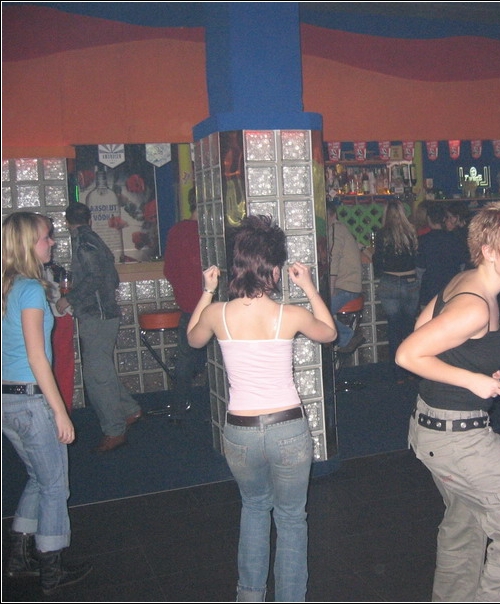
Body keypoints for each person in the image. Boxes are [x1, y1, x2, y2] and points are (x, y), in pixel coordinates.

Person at [397, 201, 500, 601]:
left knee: (466, 527)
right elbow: (408, 354)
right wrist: (471, 379)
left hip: (432, 427)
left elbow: (423, 326)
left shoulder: (466, 281)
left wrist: (472, 367)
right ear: (489, 251)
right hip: (457, 438)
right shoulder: (475, 305)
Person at [187, 215, 336, 601]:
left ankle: (250, 596)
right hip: (288, 429)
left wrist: (207, 291)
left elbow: (193, 339)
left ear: (237, 265)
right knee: (291, 519)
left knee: (254, 508)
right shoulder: (289, 314)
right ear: (274, 270)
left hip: (240, 432)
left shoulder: (217, 313)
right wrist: (309, 286)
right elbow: (329, 332)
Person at [2, 211, 93, 594]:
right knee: (55, 486)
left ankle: (18, 557)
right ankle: (51, 569)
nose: (52, 242)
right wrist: (60, 412)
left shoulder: (6, 286)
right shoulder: (29, 289)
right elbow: (38, 356)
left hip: (7, 399)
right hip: (30, 401)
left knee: (39, 478)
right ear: (28, 245)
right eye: (45, 237)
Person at [55, 202, 142, 452]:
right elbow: (110, 278)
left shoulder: (83, 242)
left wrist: (69, 299)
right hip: (104, 313)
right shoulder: (93, 240)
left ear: (67, 222)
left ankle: (114, 430)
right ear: (90, 219)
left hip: (97, 315)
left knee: (96, 377)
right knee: (100, 371)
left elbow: (95, 278)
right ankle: (129, 410)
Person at [163, 190, 209, 417]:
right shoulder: (209, 232)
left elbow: (169, 270)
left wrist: (182, 291)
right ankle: (217, 406)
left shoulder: (177, 231)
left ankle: (179, 407)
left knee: (185, 357)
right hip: (212, 305)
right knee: (219, 358)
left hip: (189, 306)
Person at [370, 199, 420, 382]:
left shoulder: (382, 234)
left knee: (393, 328)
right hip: (410, 280)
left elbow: (378, 260)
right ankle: (412, 370)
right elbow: (416, 258)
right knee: (409, 328)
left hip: (390, 281)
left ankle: (398, 373)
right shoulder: (411, 232)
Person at [326, 201, 365, 354]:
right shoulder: (341, 229)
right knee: (319, 313)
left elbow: (334, 260)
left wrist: (330, 290)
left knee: (319, 314)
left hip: (346, 287)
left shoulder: (335, 229)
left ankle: (348, 336)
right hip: (349, 285)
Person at [416, 202, 469, 309]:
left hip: (429, 290)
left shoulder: (423, 240)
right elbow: (462, 266)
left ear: (428, 219)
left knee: (429, 317)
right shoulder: (456, 238)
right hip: (451, 289)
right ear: (444, 219)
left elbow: (420, 269)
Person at [44, 258, 75, 413]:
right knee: (61, 367)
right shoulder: (50, 267)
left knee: (61, 367)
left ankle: (61, 411)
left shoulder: (48, 267)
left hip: (57, 316)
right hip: (56, 316)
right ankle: (62, 411)